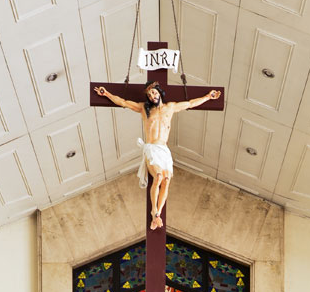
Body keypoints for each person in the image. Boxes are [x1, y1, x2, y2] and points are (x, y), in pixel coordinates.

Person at [94, 82, 221, 229]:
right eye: (149, 95)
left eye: (154, 93)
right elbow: (123, 102)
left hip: (164, 149)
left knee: (167, 179)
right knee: (159, 176)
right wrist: (107, 94)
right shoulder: (144, 109)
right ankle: (153, 209)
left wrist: (208, 97)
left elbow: (191, 104)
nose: (152, 96)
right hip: (152, 147)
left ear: (159, 93)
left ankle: (158, 214)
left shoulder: (170, 107)